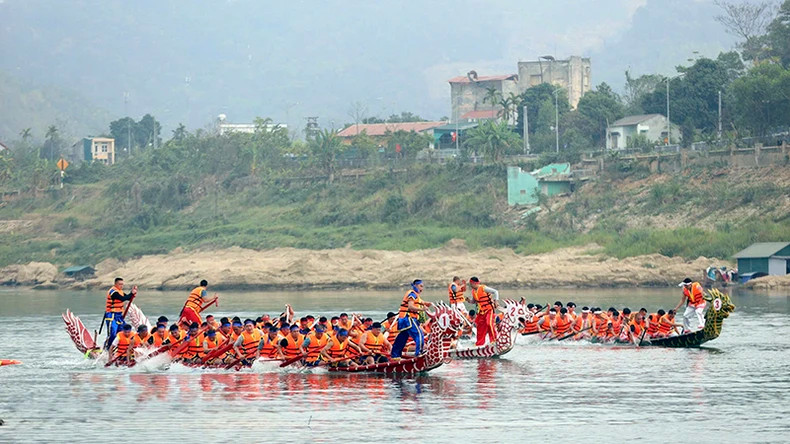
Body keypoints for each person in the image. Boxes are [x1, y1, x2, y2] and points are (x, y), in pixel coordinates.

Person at [391, 279, 433, 359]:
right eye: (421, 286)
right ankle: (419, 353)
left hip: (403, 319)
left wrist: (428, 304)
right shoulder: (412, 294)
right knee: (419, 334)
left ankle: (395, 355)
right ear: (415, 285)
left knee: (402, 337)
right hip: (408, 318)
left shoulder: (416, 296)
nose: (422, 289)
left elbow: (421, 302)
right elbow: (410, 306)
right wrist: (422, 309)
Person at [104, 277, 137, 349]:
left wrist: (132, 294)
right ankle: (108, 348)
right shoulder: (113, 292)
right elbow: (122, 298)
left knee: (124, 331)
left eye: (122, 284)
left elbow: (127, 297)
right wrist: (131, 293)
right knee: (112, 333)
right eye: (120, 284)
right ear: (115, 284)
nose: (121, 286)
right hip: (111, 315)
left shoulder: (120, 291)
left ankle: (121, 347)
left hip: (119, 315)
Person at [467, 277, 499, 346]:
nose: (470, 285)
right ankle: (479, 343)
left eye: (471, 284)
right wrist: (469, 301)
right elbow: (474, 301)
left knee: (489, 323)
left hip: (489, 309)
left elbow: (495, 292)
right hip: (481, 311)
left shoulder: (483, 288)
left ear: (475, 283)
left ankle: (494, 340)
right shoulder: (473, 291)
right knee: (479, 326)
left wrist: (496, 301)